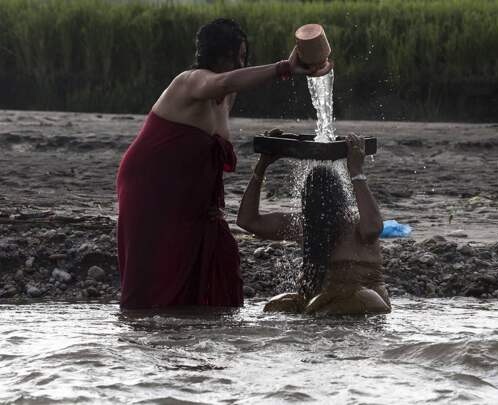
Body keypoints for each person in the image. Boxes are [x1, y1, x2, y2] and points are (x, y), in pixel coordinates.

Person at [116, 19, 332, 309]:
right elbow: (224, 81)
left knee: (221, 260)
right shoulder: (190, 81)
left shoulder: (227, 94)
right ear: (218, 54)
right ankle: (142, 328)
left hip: (193, 202)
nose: (241, 62)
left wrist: (309, 66)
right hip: (150, 191)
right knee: (155, 274)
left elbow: (237, 81)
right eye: (237, 55)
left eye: (244, 56)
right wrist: (284, 68)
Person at [236, 134, 390, 315]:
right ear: (306, 205)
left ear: (340, 203)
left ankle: (315, 313)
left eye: (326, 204)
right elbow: (248, 221)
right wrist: (261, 167)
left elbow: (374, 227)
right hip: (320, 303)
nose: (321, 211)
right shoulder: (303, 224)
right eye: (315, 205)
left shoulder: (356, 224)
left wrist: (356, 171)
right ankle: (313, 315)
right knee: (276, 304)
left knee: (358, 297)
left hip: (364, 302)